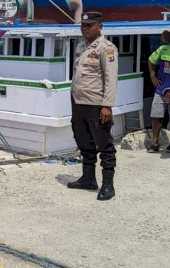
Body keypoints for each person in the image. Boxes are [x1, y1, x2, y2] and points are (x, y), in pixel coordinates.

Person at [68, 11, 118, 201]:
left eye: (89, 26)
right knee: (83, 140)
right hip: (78, 101)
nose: (85, 29)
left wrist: (107, 105)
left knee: (104, 143)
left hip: (97, 104)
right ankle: (88, 178)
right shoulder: (82, 46)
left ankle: (108, 185)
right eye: (83, 26)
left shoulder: (107, 48)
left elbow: (110, 79)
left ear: (100, 26)